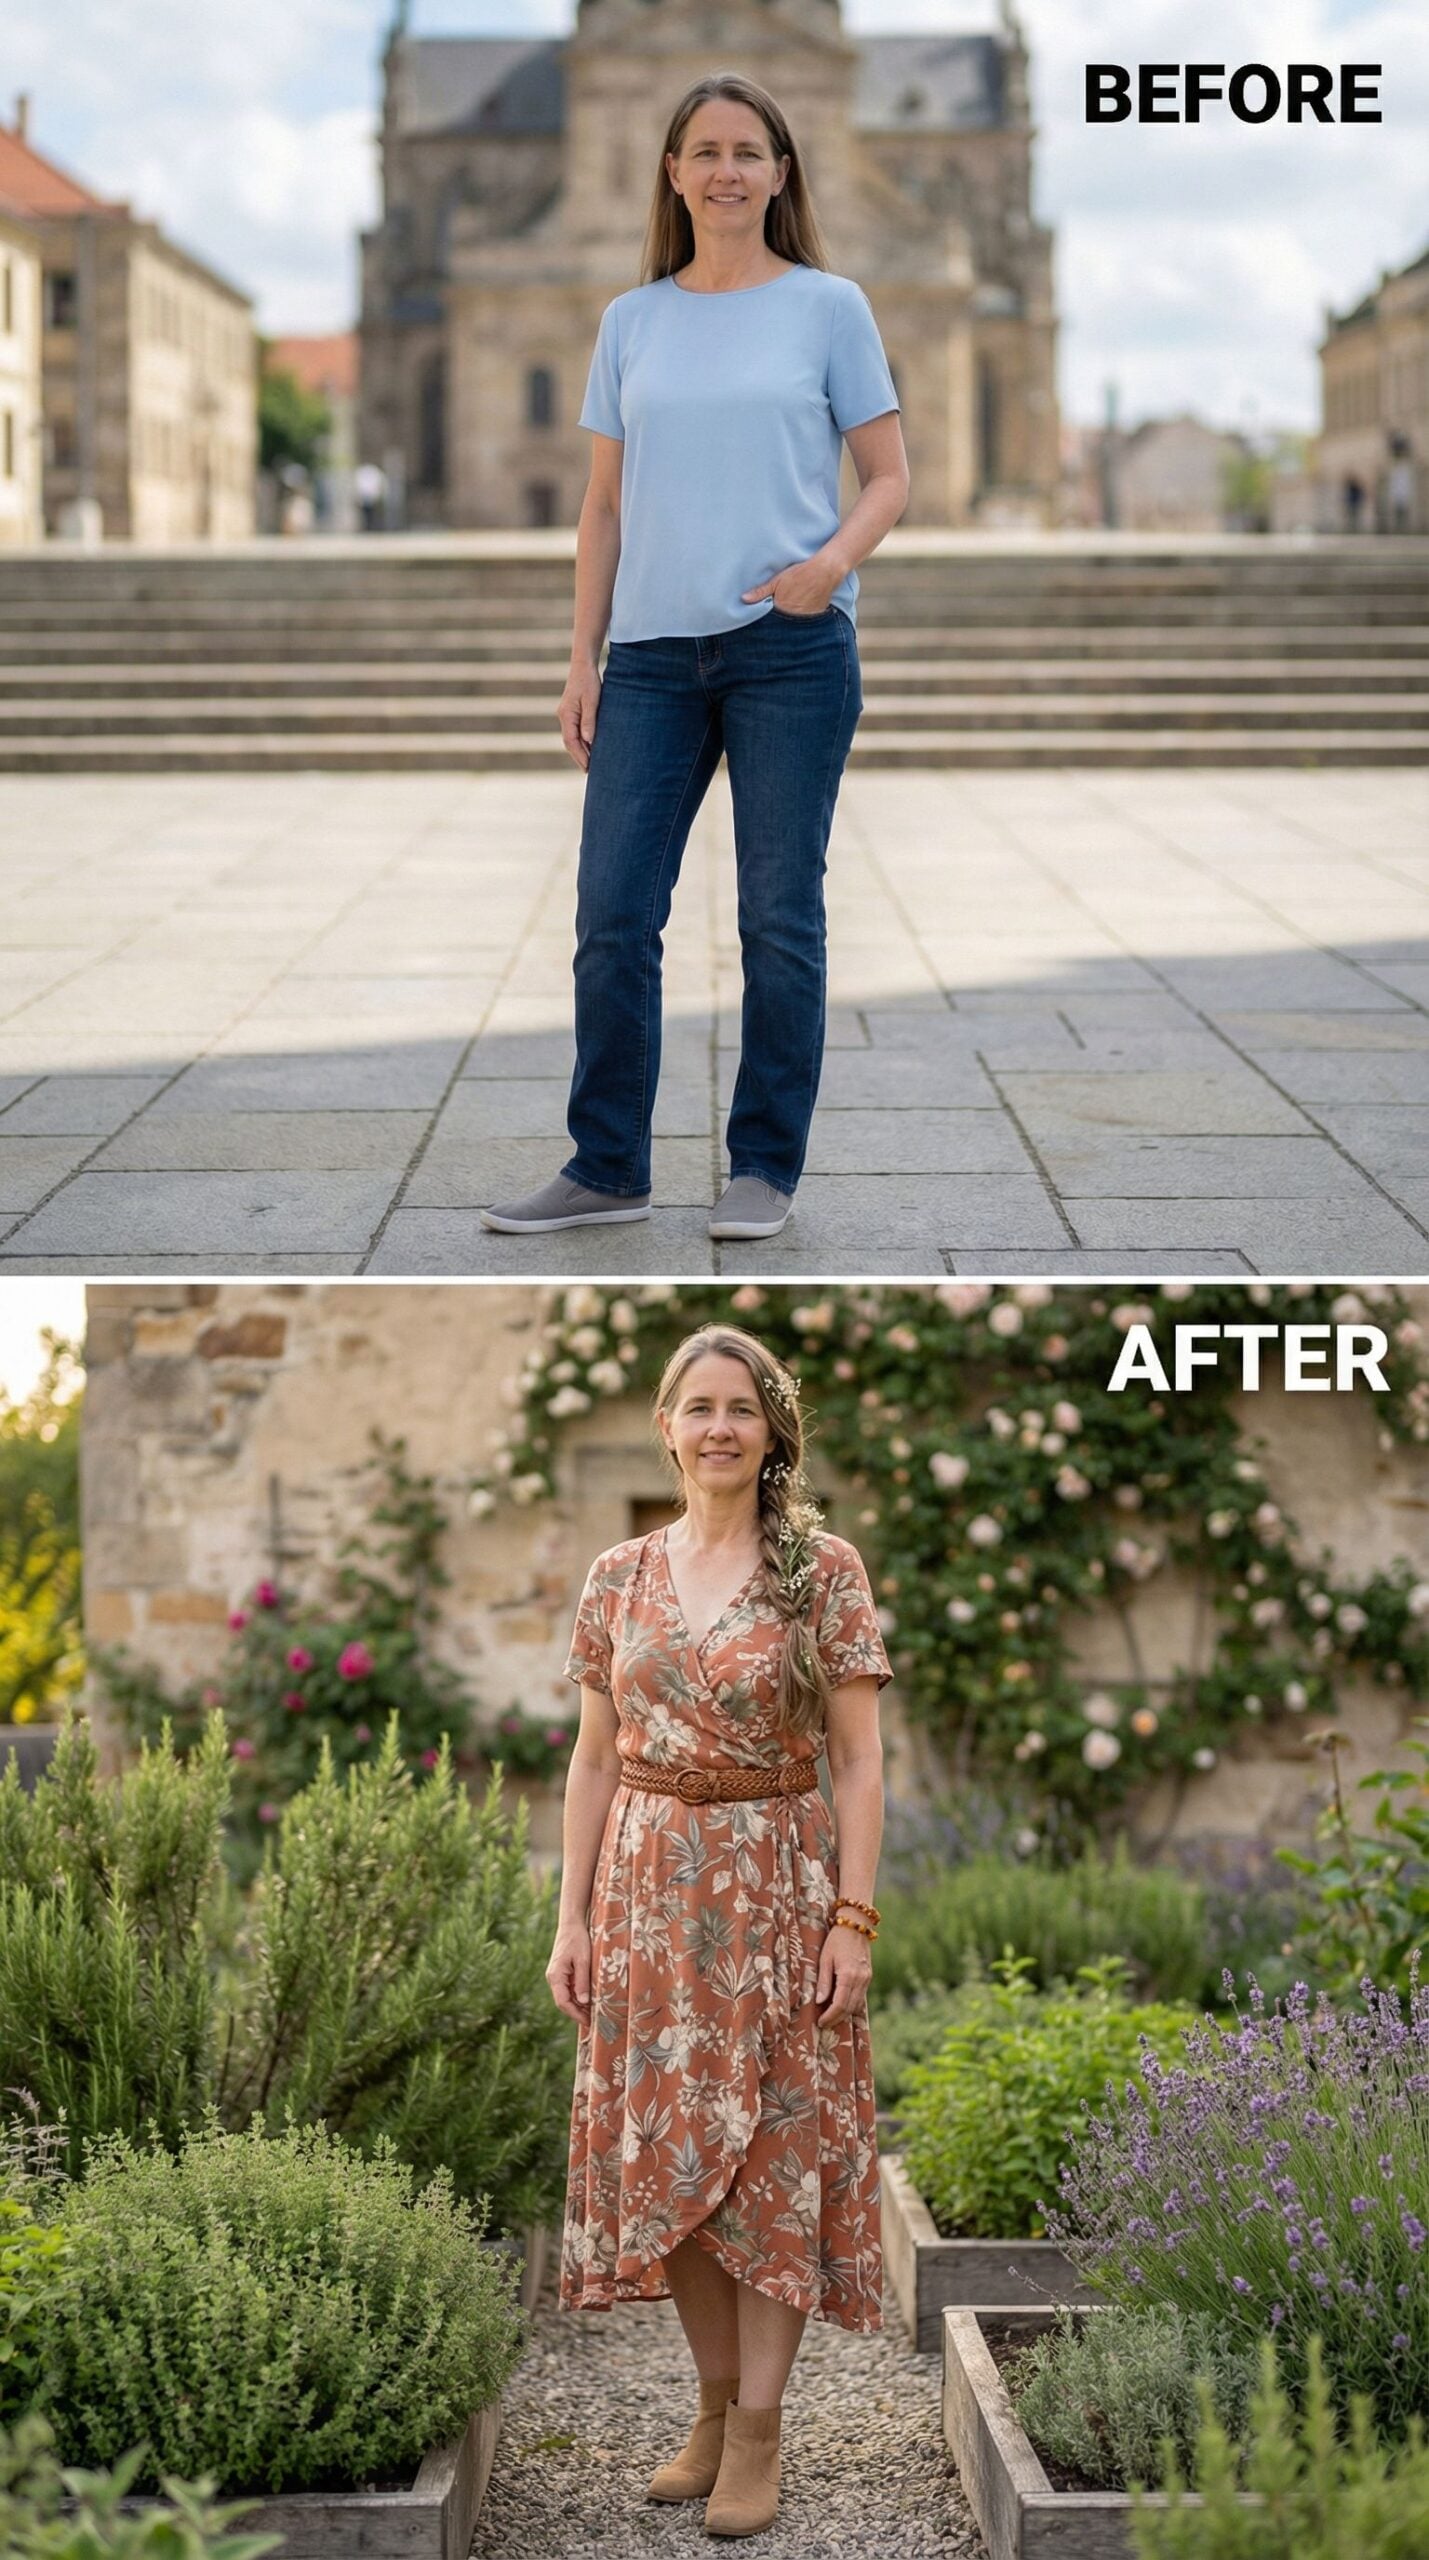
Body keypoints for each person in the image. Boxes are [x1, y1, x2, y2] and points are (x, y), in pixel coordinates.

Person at [483, 72, 909, 1246]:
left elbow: (888, 476)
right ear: (671, 171)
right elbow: (604, 510)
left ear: (781, 173)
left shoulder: (830, 306)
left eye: (748, 151)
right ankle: (606, 1164)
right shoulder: (633, 321)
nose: (725, 170)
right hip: (654, 659)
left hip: (789, 649)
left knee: (779, 918)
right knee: (612, 914)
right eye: (703, 150)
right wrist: (582, 659)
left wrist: (827, 568)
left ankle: (763, 1166)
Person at [546, 1324, 889, 2537]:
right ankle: (708, 2404)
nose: (719, 1427)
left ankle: (759, 2431)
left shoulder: (820, 1568)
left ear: (771, 1428)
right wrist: (570, 1915)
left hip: (777, 1886)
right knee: (671, 2155)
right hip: (646, 1893)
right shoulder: (617, 1575)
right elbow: (591, 1761)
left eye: (740, 1406)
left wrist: (851, 1919)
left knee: (773, 2157)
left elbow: (857, 1762)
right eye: (698, 1406)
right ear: (666, 1424)